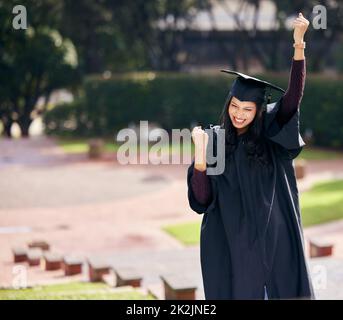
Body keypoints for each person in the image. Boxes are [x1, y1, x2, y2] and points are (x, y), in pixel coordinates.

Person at [187, 13, 315, 300]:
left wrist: (298, 45)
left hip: (274, 238)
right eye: (235, 106)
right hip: (235, 244)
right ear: (228, 104)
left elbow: (293, 98)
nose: (239, 114)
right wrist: (199, 158)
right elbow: (202, 201)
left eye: (247, 108)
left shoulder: (270, 132)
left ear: (258, 111)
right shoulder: (216, 141)